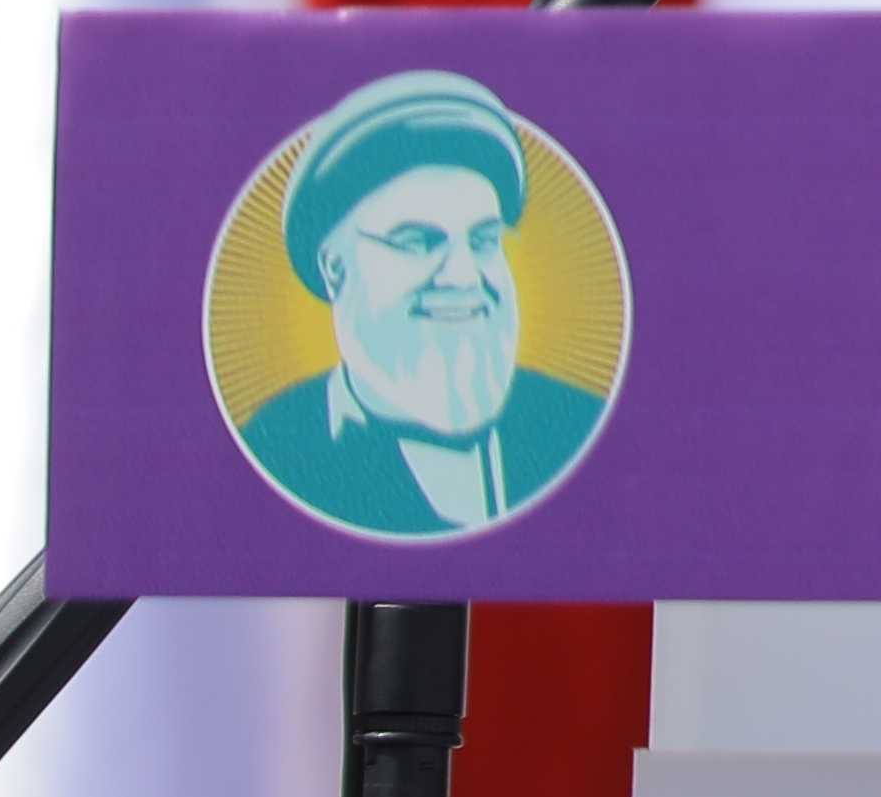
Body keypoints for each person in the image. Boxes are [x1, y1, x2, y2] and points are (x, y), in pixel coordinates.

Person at [225, 73, 608, 537]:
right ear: (335, 269)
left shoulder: (578, 424)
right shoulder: (274, 446)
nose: (463, 276)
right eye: (418, 242)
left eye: (484, 240)